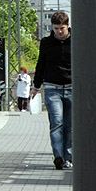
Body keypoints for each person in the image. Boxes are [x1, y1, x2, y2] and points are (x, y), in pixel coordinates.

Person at [31, 10, 72, 170]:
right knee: (56, 123)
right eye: (55, 29)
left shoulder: (77, 40)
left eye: (61, 28)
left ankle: (68, 157)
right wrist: (36, 86)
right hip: (52, 88)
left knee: (70, 125)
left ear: (68, 26)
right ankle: (59, 157)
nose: (58, 32)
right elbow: (41, 64)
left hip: (72, 87)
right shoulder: (46, 42)